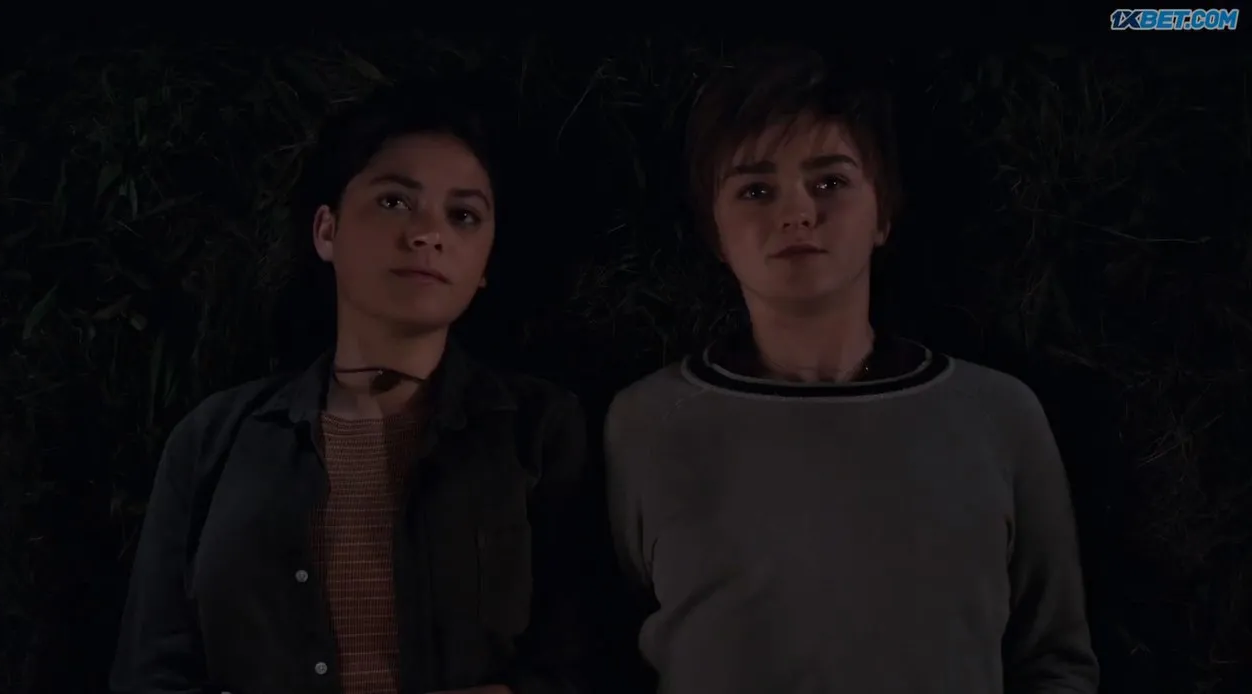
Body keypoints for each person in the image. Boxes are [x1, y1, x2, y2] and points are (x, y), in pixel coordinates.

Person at [602, 45, 1100, 694]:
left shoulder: (996, 416)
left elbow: (1055, 660)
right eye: (756, 190)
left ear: (883, 213)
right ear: (715, 233)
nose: (797, 213)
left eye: (830, 182)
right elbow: (601, 655)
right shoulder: (648, 423)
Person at [111, 79, 596, 694]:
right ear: (326, 230)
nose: (428, 233)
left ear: (484, 266)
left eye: (463, 216)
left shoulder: (538, 429)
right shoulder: (216, 439)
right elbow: (150, 666)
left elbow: (583, 657)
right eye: (395, 201)